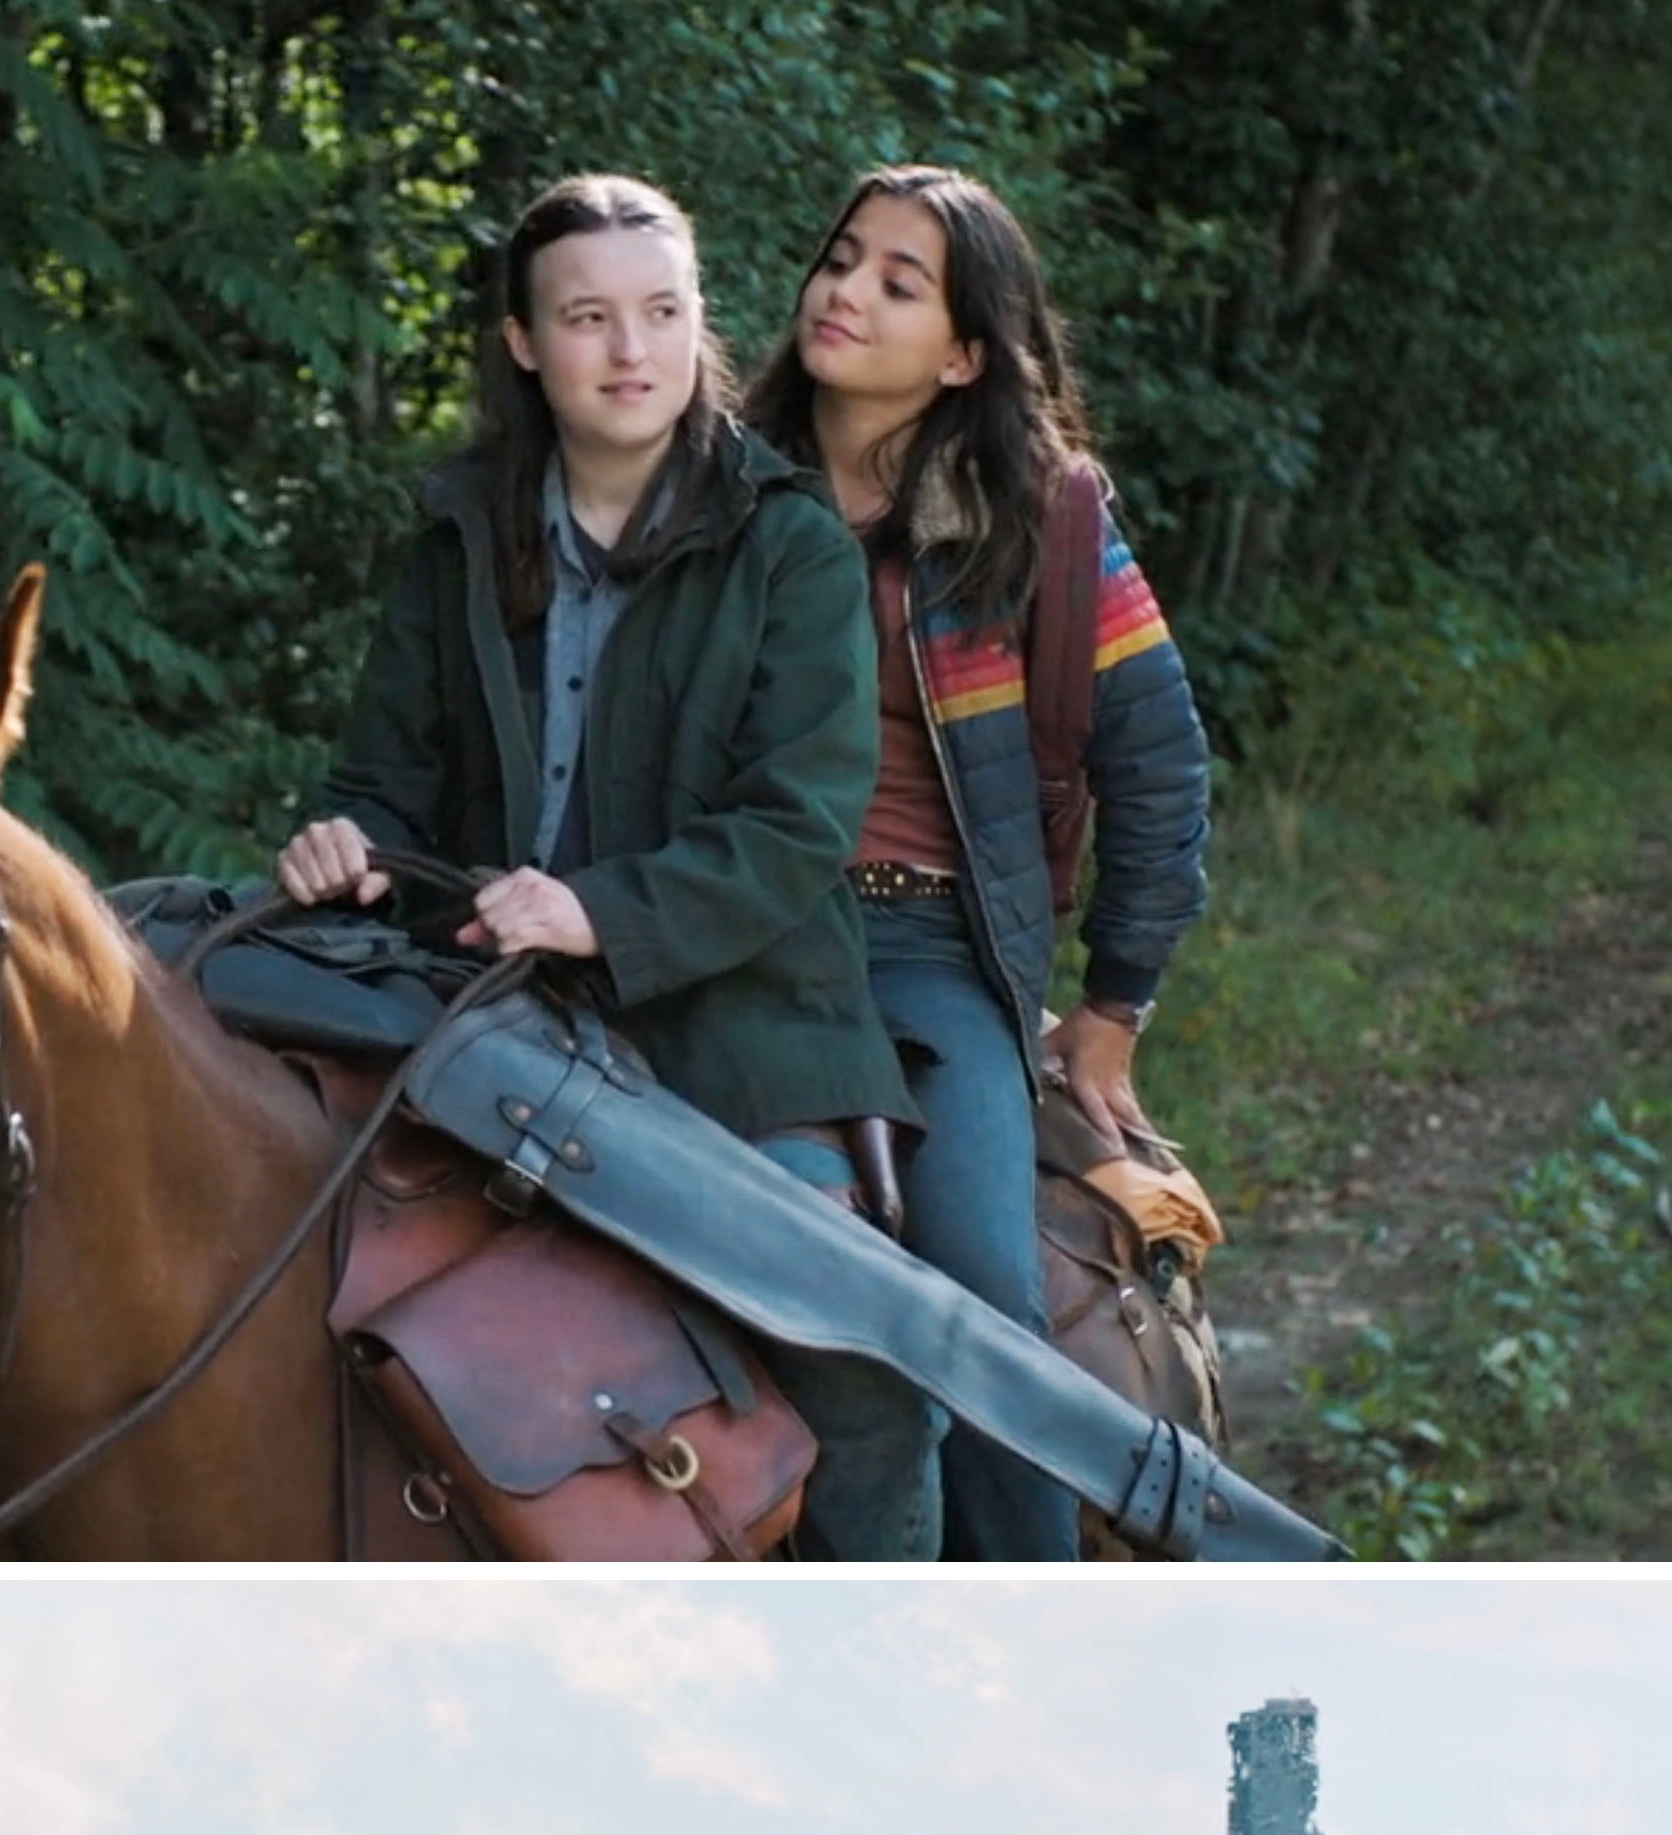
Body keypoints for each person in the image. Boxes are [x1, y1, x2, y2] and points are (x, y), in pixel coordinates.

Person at [277, 170, 943, 1560]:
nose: (631, 351)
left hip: (743, 1025)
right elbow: (379, 786)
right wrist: (344, 845)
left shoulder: (789, 544)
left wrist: (596, 910)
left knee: (862, 1366)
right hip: (476, 1012)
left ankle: (896, 1679)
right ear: (527, 343)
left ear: (702, 324)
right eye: (587, 318)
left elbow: (798, 823)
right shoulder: (458, 540)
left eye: (662, 313)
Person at [743, 163, 1212, 1560]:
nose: (846, 293)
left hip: (925, 950)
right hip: (728, 940)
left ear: (961, 356)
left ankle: (1031, 1638)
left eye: (899, 283)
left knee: (981, 1296)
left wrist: (1113, 1013)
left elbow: (1161, 763)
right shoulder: (714, 494)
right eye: (840, 260)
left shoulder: (1039, 519)